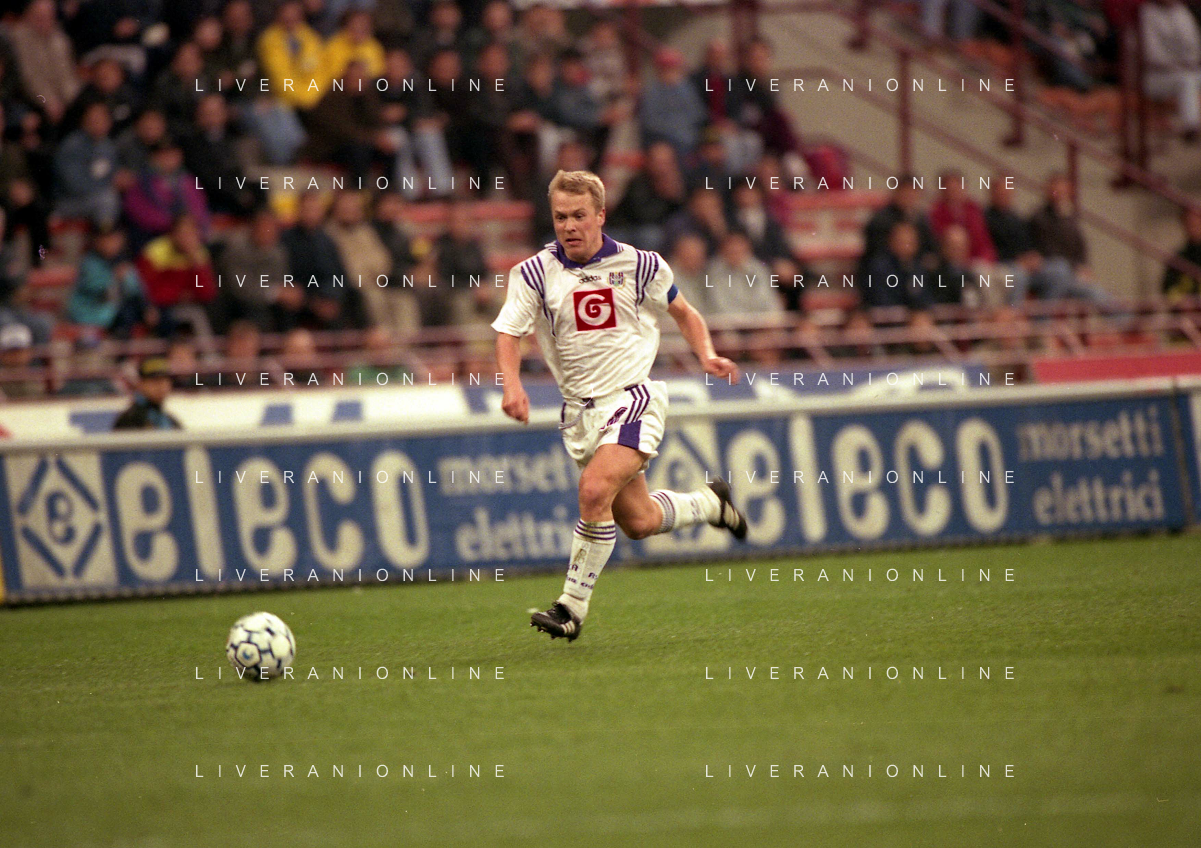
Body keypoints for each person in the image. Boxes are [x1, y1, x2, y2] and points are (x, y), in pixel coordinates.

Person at [493, 170, 749, 642]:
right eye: (560, 217)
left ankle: (570, 608)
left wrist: (706, 354)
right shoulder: (533, 273)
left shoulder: (641, 265)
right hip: (580, 413)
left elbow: (685, 313)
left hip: (633, 399)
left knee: (594, 490)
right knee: (639, 521)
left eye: (579, 215)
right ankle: (709, 503)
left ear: (600, 215)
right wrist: (512, 386)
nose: (569, 226)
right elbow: (509, 333)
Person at [112, 357, 182, 430]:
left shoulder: (170, 421)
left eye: (165, 381)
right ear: (141, 384)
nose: (161, 386)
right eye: (155, 381)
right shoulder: (129, 420)